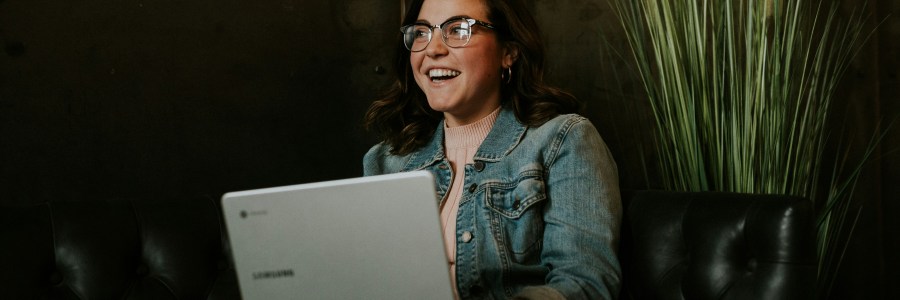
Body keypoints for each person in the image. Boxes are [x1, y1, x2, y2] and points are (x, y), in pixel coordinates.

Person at [362, 0, 621, 298]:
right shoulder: (385, 161)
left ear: (508, 52)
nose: (432, 49)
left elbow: (586, 284)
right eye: (421, 32)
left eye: (458, 29)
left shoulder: (564, 140)